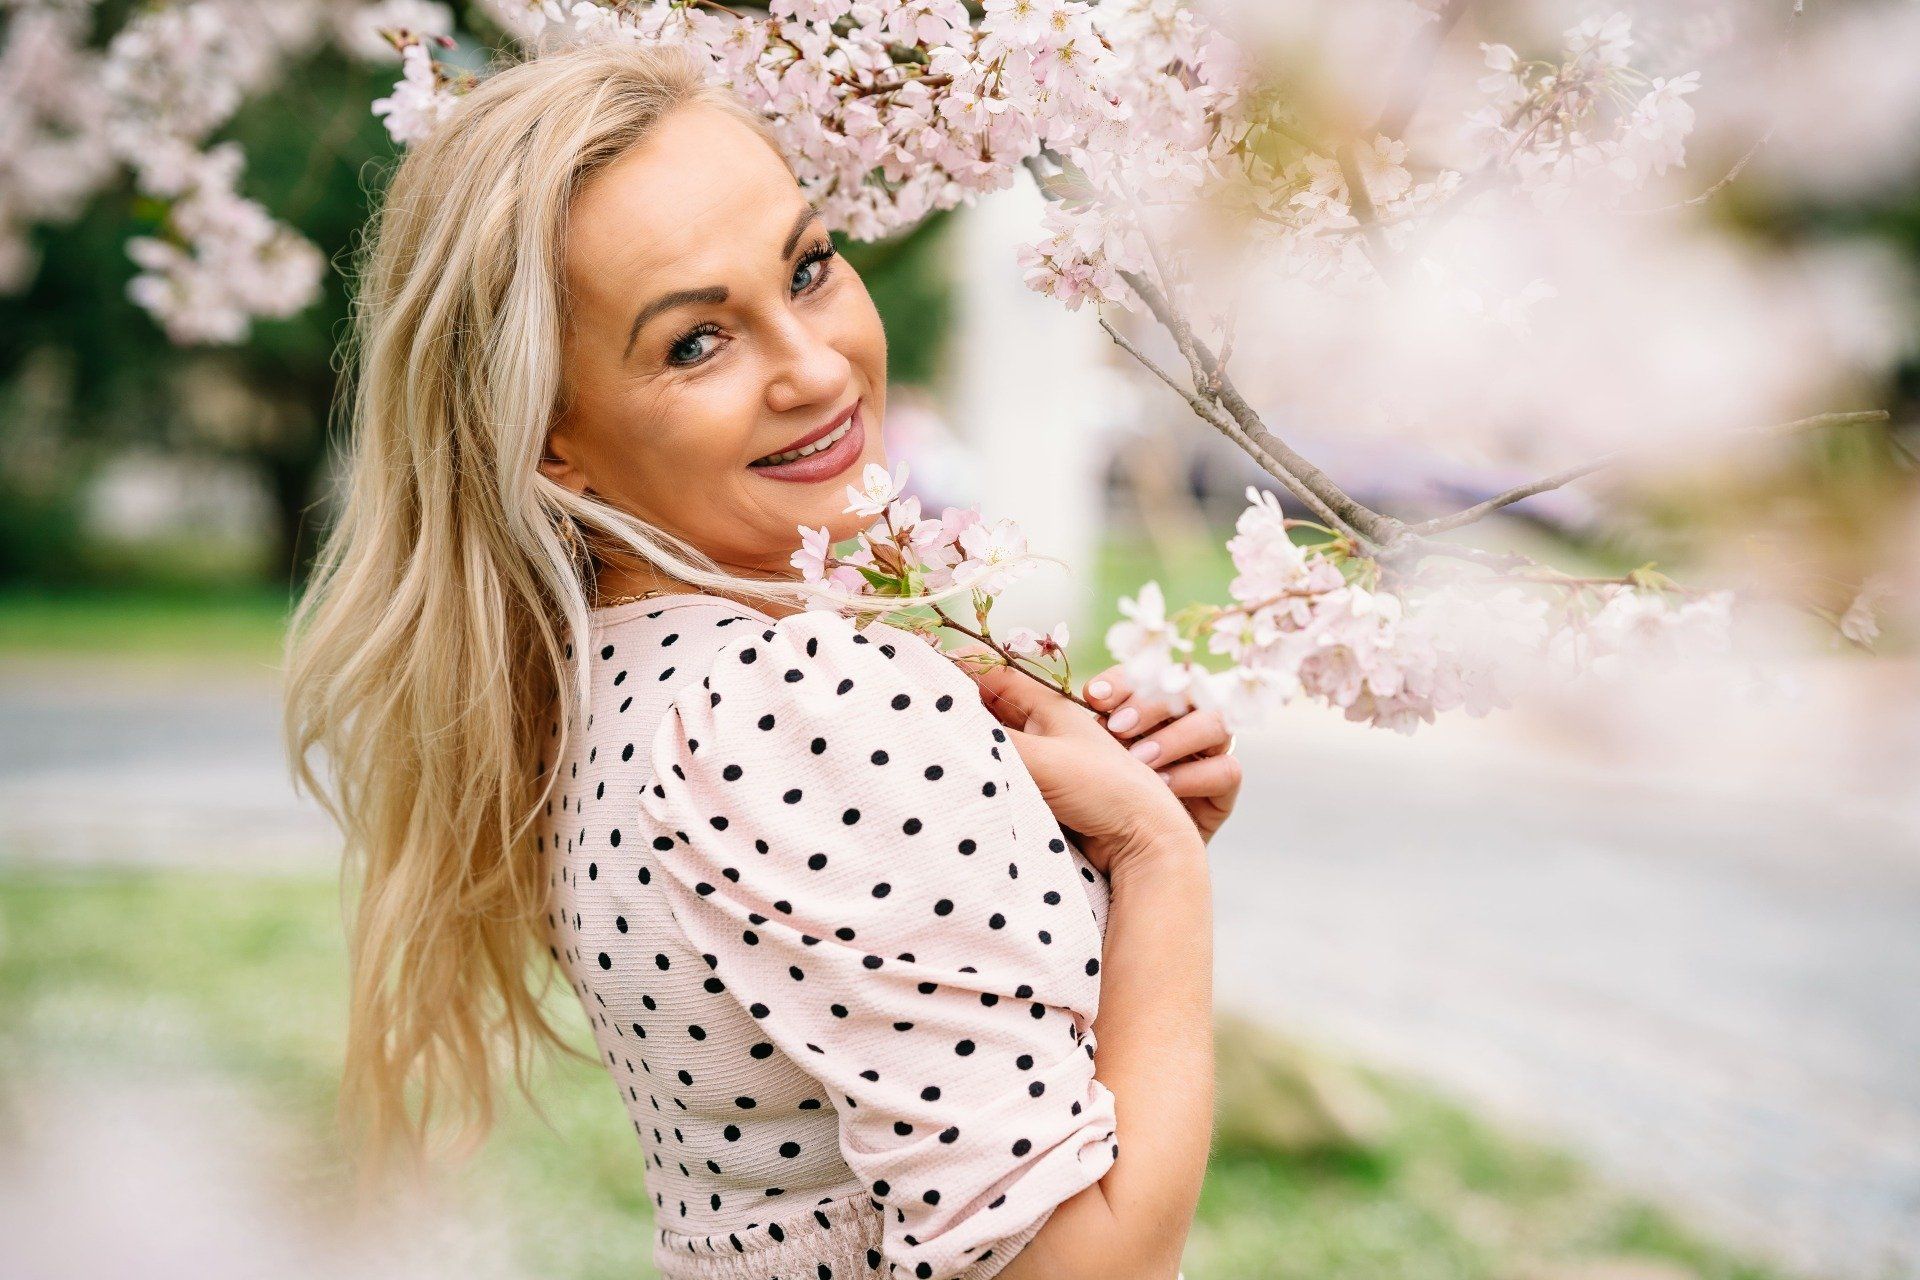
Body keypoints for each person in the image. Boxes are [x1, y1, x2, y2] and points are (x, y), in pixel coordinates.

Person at [283, 36, 1237, 1280]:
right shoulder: (795, 706)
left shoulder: (607, 688)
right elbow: (1085, 1268)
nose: (816, 366)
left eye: (809, 267)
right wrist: (1157, 864)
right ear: (552, 439)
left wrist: (1075, 852)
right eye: (696, 342)